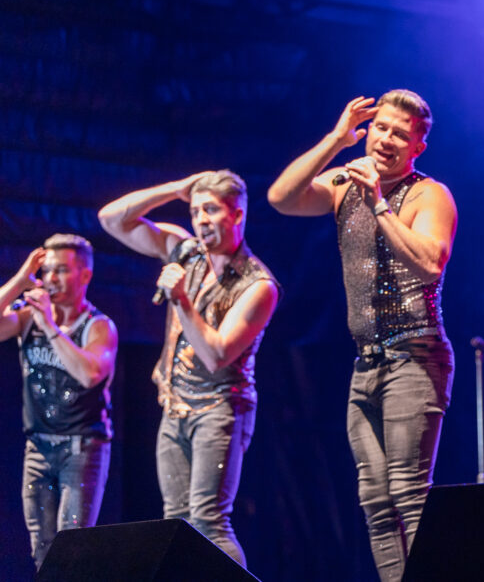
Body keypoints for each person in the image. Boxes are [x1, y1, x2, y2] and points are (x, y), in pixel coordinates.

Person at [268, 89, 456, 582]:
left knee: (408, 493)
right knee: (374, 499)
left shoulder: (427, 193)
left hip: (415, 356)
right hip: (366, 363)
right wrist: (335, 139)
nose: (387, 138)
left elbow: (431, 264)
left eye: (401, 133)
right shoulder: (343, 182)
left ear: (417, 146)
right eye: (381, 128)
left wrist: (378, 204)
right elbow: (281, 198)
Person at [97, 170, 279, 567]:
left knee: (210, 522)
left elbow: (217, 355)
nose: (201, 219)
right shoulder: (186, 250)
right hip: (175, 406)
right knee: (176, 522)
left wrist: (180, 299)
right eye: (196, 210)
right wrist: (174, 189)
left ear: (237, 214)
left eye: (211, 209)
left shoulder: (257, 284)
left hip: (220, 409)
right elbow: (112, 219)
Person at [0, 234, 118, 569]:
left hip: (81, 448)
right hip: (37, 447)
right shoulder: (26, 317)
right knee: (42, 549)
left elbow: (89, 374)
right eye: (47, 271)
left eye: (62, 271)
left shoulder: (98, 326)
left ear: (85, 276)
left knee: (72, 548)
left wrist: (50, 327)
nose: (52, 279)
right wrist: (20, 280)